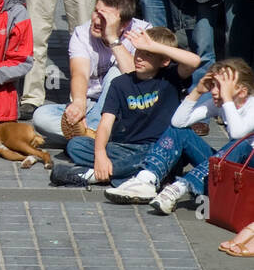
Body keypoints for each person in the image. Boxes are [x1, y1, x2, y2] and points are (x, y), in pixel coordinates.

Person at [54, 27, 200, 187]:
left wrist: (155, 46)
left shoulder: (170, 77)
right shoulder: (120, 83)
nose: (139, 58)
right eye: (138, 51)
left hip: (161, 147)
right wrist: (101, 154)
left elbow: (194, 61)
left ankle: (92, 175)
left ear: (165, 61)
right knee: (76, 146)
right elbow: (106, 123)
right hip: (125, 148)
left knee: (167, 152)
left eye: (148, 54)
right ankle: (145, 175)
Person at [104, 59, 254, 213]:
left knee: (242, 145)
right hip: (226, 169)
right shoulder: (220, 103)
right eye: (213, 84)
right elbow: (177, 123)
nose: (214, 91)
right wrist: (197, 92)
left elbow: (237, 134)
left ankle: (180, 187)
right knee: (179, 132)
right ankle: (146, 179)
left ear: (242, 91)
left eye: (221, 87)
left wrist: (227, 98)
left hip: (247, 178)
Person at [32, 0, 147, 145]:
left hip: (127, 107)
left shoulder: (143, 32)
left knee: (116, 75)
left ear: (124, 24)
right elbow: (79, 73)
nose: (97, 21)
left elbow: (136, 76)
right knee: (41, 116)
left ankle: (90, 137)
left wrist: (113, 38)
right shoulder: (81, 34)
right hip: (91, 104)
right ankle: (99, 136)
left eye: (105, 18)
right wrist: (79, 103)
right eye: (96, 12)